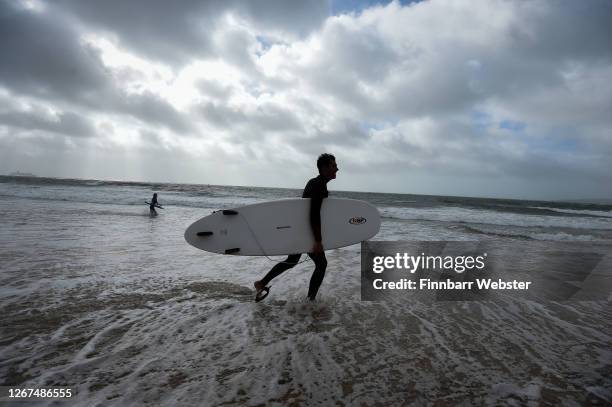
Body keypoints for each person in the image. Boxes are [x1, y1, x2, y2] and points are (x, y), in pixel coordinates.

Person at [254, 153, 339, 302]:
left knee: (292, 260)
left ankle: (261, 283)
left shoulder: (317, 183)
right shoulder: (318, 185)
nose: (337, 168)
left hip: (301, 229)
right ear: (324, 168)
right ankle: (310, 300)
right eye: (333, 165)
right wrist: (317, 240)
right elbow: (313, 214)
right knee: (322, 264)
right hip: (306, 231)